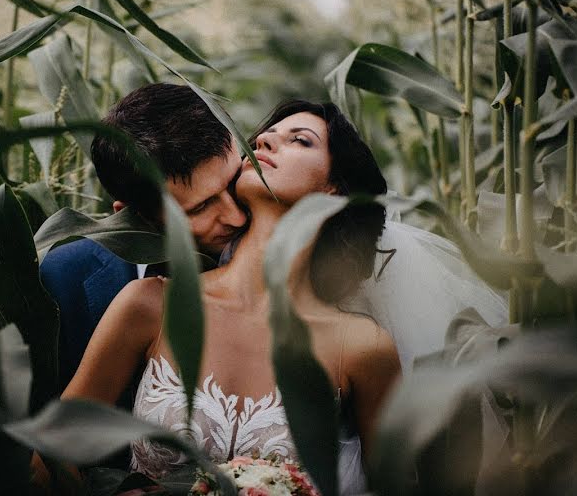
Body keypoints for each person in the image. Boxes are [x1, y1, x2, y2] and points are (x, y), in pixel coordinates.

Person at [60, 100, 402, 492]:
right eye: (266, 135)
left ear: (333, 190)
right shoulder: (150, 304)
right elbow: (53, 450)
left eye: (300, 140)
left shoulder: (363, 347)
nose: (267, 140)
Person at [39, 83, 248, 391]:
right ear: (134, 215)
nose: (237, 217)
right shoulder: (61, 280)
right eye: (201, 207)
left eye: (233, 182)